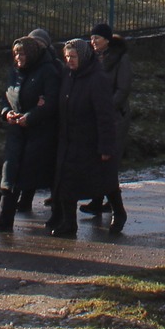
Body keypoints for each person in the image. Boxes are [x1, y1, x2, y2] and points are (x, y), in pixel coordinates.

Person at [47, 39, 121, 238]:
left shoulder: (97, 79)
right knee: (65, 182)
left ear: (84, 57)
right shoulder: (68, 75)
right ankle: (69, 224)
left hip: (91, 140)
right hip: (69, 139)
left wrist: (106, 147)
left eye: (73, 57)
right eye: (67, 57)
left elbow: (105, 116)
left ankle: (119, 212)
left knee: (104, 182)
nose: (70, 61)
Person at [0, 34, 61, 233]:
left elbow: (51, 101)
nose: (18, 57)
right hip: (16, 131)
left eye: (22, 53)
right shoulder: (15, 72)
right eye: (15, 53)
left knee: (40, 174)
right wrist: (7, 113)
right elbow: (7, 96)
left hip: (39, 132)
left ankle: (59, 216)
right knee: (9, 173)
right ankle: (5, 219)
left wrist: (30, 116)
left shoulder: (47, 71)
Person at [80, 24, 131, 222]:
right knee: (97, 158)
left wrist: (106, 108)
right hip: (96, 116)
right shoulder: (91, 59)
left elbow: (123, 88)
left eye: (97, 39)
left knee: (108, 159)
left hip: (115, 116)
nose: (93, 42)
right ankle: (99, 198)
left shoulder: (121, 58)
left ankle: (108, 202)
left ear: (107, 40)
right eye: (91, 38)